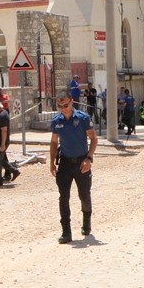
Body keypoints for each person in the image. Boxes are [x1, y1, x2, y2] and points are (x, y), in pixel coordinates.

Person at [48, 90, 97, 243]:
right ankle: (66, 232)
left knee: (84, 195)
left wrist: (89, 158)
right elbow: (54, 142)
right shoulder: (56, 121)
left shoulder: (83, 119)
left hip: (82, 162)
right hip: (64, 163)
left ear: (72, 102)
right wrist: (51, 162)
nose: (63, 108)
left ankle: (86, 222)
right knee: (64, 197)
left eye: (66, 105)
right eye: (60, 106)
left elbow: (94, 139)